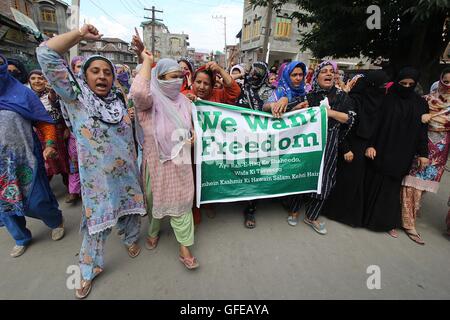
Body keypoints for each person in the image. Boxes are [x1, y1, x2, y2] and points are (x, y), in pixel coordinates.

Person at [37, 24, 146, 299]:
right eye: (95, 71)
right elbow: (46, 53)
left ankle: (131, 239)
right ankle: (87, 271)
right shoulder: (76, 99)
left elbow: (144, 87)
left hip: (127, 175)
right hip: (98, 182)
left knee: (131, 213)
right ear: (83, 76)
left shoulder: (120, 99)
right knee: (96, 226)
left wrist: (145, 57)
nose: (102, 76)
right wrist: (79, 35)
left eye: (107, 72)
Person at [130, 42, 199, 269]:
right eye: (171, 76)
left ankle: (184, 247)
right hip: (156, 163)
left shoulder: (187, 103)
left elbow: (192, 128)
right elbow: (138, 91)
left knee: (181, 204)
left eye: (180, 76)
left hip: (180, 163)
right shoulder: (149, 102)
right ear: (158, 78)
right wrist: (147, 60)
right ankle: (153, 230)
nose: (176, 81)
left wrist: (193, 136)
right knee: (154, 201)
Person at [0, 54, 65, 258]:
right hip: (1, 166)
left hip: (25, 157)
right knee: (6, 204)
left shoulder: (22, 94)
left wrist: (49, 144)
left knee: (36, 199)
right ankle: (21, 237)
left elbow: (44, 122)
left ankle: (55, 220)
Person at [283, 61, 356, 234]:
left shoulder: (342, 97)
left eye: (332, 71)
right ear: (317, 76)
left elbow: (350, 118)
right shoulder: (309, 96)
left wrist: (329, 113)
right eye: (324, 71)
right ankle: (294, 210)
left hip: (329, 142)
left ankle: (312, 216)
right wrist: (297, 107)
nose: (329, 74)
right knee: (301, 173)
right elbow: (290, 113)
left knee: (325, 179)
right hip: (308, 143)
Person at [363, 67, 429, 238]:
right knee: (373, 182)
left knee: (392, 189)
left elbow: (423, 131)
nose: (406, 87)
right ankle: (366, 219)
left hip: (403, 152)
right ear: (397, 81)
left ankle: (386, 222)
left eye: (410, 84)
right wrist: (370, 145)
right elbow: (374, 122)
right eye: (403, 83)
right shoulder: (386, 97)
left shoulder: (420, 103)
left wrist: (423, 153)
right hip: (381, 147)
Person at [323, 71, 388, 227]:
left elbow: (376, 128)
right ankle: (333, 211)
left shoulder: (379, 102)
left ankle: (349, 214)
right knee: (345, 180)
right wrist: (345, 148)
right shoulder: (353, 101)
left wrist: (371, 145)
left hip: (364, 146)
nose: (383, 89)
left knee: (356, 181)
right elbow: (341, 127)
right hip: (348, 144)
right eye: (381, 86)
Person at [183, 61, 241, 224]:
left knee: (210, 177)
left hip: (213, 149)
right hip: (192, 149)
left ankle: (209, 204)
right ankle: (195, 211)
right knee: (192, 180)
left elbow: (235, 91)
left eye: (206, 83)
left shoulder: (218, 95)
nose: (201, 87)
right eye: (198, 82)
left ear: (213, 85)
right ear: (192, 82)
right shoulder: (184, 95)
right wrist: (186, 102)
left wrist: (220, 70)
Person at [400, 68, 450, 244]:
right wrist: (421, 118)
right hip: (420, 146)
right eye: (445, 81)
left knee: (423, 186)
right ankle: (408, 222)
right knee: (410, 184)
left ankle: (410, 213)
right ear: (440, 80)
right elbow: (409, 118)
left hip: (440, 150)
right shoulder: (426, 100)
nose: (448, 85)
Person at [235, 61, 274, 229]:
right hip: (241, 137)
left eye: (259, 73)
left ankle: (250, 209)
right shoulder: (242, 89)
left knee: (256, 173)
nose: (254, 76)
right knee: (240, 169)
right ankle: (236, 197)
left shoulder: (270, 92)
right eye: (252, 72)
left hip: (261, 139)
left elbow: (274, 110)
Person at [28, 70, 71, 194]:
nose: (37, 81)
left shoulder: (54, 93)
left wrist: (67, 128)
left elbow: (62, 109)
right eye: (33, 78)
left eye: (40, 78)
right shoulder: (27, 97)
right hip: (39, 134)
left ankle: (71, 190)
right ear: (29, 81)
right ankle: (44, 193)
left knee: (64, 161)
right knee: (45, 163)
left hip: (59, 131)